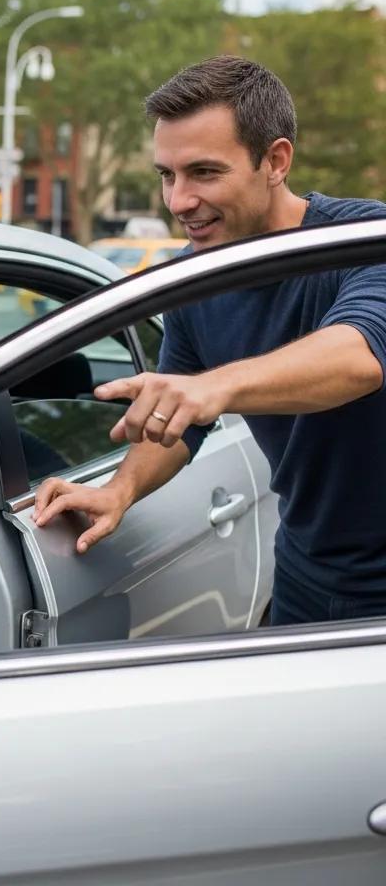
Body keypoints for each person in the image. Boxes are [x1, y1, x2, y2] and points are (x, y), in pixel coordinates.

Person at [33, 55, 386, 626]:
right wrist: (120, 489)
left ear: (274, 161)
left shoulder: (365, 239)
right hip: (304, 573)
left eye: (203, 172)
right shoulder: (194, 277)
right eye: (167, 175)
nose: (177, 202)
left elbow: (360, 358)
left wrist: (215, 387)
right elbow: (182, 421)